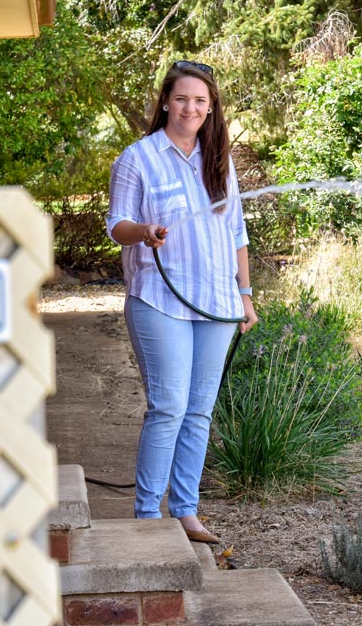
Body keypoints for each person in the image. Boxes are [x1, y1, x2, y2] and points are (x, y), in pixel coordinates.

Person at [105, 60, 257, 544]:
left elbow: (236, 231)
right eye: (182, 99)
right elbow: (116, 226)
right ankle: (149, 517)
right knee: (168, 406)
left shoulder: (219, 160)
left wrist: (245, 295)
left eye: (200, 101)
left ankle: (186, 510)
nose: (190, 108)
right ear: (166, 102)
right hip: (159, 298)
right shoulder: (138, 158)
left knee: (199, 410)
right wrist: (144, 232)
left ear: (210, 109)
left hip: (215, 300)